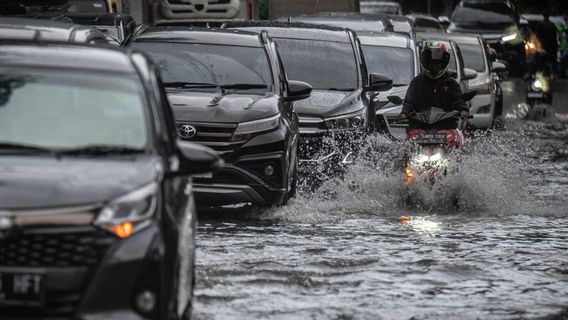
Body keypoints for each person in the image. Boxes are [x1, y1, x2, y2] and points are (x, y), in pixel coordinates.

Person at [399, 41, 469, 129]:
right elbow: (409, 101)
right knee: (409, 141)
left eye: (438, 64)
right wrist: (404, 113)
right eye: (432, 63)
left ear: (444, 63)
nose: (434, 67)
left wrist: (463, 110)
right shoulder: (417, 82)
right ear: (426, 63)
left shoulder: (451, 83)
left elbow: (458, 100)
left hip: (446, 126)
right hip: (420, 127)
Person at [535, 10, 559, 76]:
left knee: (542, 61)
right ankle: (554, 74)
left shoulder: (541, 24)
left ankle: (544, 73)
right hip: (552, 46)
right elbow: (554, 36)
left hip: (544, 46)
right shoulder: (552, 25)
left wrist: (538, 45)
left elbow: (537, 36)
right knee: (553, 61)